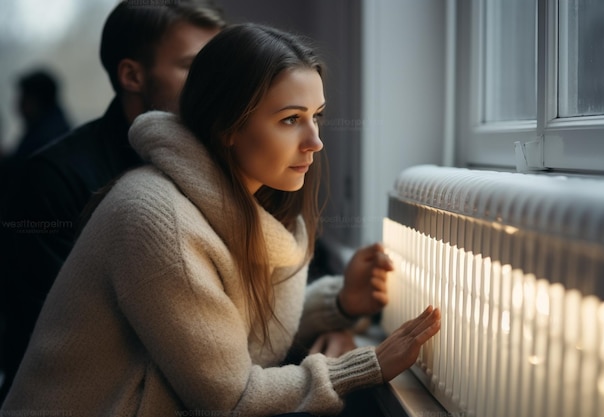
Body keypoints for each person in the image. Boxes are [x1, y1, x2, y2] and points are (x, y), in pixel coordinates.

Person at [1, 23, 441, 415]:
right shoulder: (157, 219)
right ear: (228, 126)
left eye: (317, 117)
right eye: (291, 119)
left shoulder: (246, 209)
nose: (315, 142)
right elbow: (231, 397)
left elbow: (224, 334)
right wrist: (367, 366)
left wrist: (340, 302)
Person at [0, 0, 225, 402]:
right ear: (132, 75)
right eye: (193, 67)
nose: (215, 84)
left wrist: (333, 316)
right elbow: (56, 342)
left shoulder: (217, 159)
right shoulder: (53, 176)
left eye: (218, 68)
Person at [11, 68, 71, 159]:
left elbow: (20, 168)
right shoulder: (54, 127)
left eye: (24, 98)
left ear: (37, 101)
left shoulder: (43, 139)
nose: (19, 105)